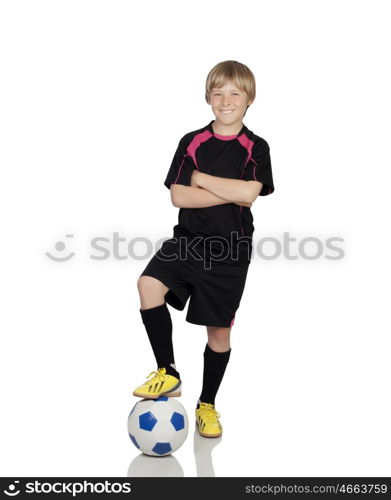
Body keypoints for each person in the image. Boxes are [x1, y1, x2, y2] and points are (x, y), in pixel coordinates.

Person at [133, 60, 275, 438]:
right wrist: (226, 191)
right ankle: (168, 372)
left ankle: (207, 404)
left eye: (235, 94)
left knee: (218, 335)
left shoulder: (256, 147)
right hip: (188, 242)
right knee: (148, 284)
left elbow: (249, 195)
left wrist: (202, 179)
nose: (226, 101)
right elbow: (179, 196)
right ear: (208, 98)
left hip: (230, 252)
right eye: (218, 94)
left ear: (249, 100)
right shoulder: (191, 141)